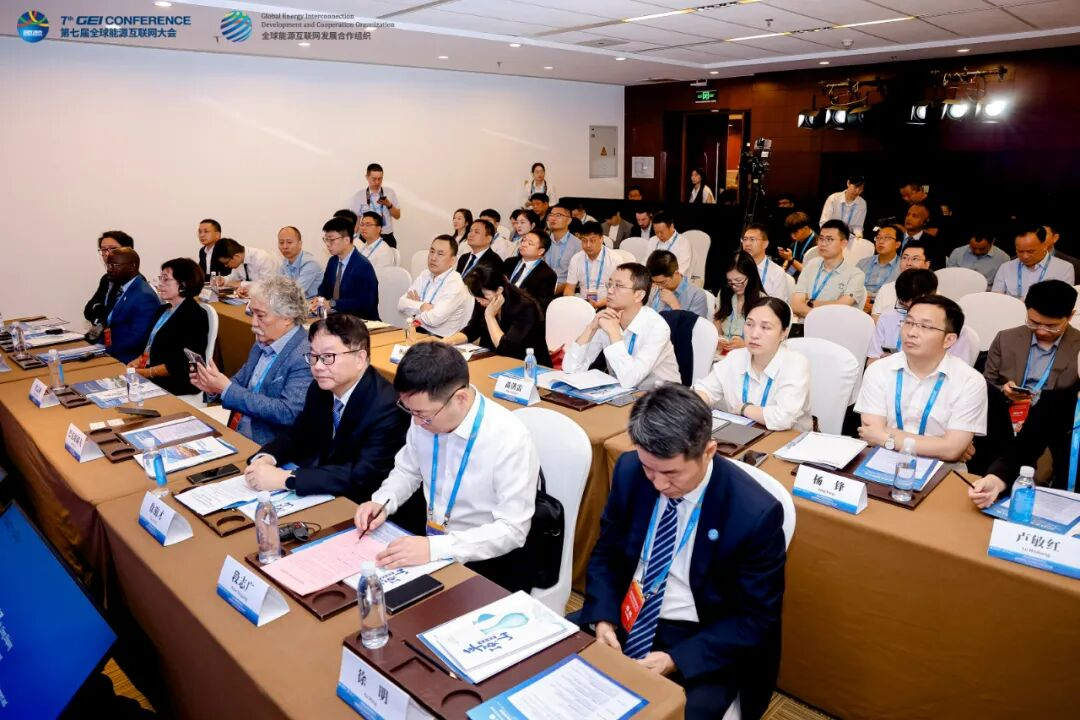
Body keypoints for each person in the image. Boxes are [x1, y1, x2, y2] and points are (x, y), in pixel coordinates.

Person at [580, 384, 786, 720]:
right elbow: (607, 553)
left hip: (701, 636)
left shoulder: (754, 513)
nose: (658, 484)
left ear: (708, 451)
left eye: (671, 473)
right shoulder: (631, 470)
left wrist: (675, 659)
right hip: (625, 611)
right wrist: (603, 618)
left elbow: (755, 619)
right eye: (650, 469)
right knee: (548, 668)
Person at [354, 342, 540, 592]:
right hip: (430, 544)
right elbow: (407, 471)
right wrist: (382, 502)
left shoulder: (509, 439)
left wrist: (435, 549)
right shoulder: (423, 418)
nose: (416, 422)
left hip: (486, 559)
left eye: (423, 414)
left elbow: (512, 530)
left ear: (460, 398)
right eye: (410, 411)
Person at [246, 315, 417, 520]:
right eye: (313, 356)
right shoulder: (322, 388)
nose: (317, 366)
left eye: (328, 357)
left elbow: (360, 477)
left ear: (360, 358)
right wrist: (267, 457)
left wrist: (286, 479)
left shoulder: (388, 406)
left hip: (367, 510)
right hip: (327, 494)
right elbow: (300, 433)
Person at [855, 295, 988, 463]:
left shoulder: (970, 381)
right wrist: (940, 444)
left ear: (949, 339)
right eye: (908, 322)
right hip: (881, 461)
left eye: (925, 326)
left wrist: (886, 438)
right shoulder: (878, 370)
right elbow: (871, 433)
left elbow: (952, 451)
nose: (911, 333)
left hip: (941, 469)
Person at [190, 277, 312, 445]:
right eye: (251, 314)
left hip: (270, 446)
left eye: (260, 315)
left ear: (287, 317)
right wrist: (213, 387)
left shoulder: (305, 355)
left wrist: (226, 389)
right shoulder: (262, 343)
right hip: (238, 432)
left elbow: (288, 413)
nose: (253, 323)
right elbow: (239, 383)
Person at [695, 298, 812, 431]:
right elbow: (706, 390)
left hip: (786, 438)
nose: (754, 334)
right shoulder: (735, 357)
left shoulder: (795, 363)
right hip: (740, 435)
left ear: (784, 332)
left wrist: (744, 409)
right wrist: (695, 400)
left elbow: (782, 418)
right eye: (749, 324)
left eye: (765, 327)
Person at [563, 263, 681, 389]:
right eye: (609, 284)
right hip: (621, 393)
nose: (609, 290)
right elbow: (571, 369)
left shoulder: (657, 327)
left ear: (638, 295)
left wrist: (614, 333)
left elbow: (630, 380)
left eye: (618, 286)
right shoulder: (607, 318)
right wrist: (591, 328)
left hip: (661, 396)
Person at [984, 279, 1080, 404]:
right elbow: (987, 383)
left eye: (1051, 326)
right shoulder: (1005, 339)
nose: (1042, 331)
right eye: (1034, 323)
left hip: (1058, 411)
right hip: (1006, 407)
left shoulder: (1077, 344)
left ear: (1070, 316)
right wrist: (1003, 390)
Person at [127, 258, 208, 396]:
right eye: (161, 278)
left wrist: (148, 373)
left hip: (177, 380)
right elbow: (150, 345)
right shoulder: (163, 310)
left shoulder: (195, 315)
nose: (160, 284)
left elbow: (184, 362)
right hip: (153, 373)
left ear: (183, 284)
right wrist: (139, 361)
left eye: (166, 279)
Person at [443, 264, 551, 365]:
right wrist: (448, 341)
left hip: (527, 366)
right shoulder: (483, 301)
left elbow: (505, 348)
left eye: (483, 296)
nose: (479, 301)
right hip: (494, 360)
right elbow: (471, 330)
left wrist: (490, 317)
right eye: (476, 296)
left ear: (499, 290)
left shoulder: (526, 307)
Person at [868, 269, 976, 363]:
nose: (910, 313)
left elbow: (957, 371)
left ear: (932, 295)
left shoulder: (952, 324)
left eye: (915, 306)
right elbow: (873, 359)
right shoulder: (888, 316)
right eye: (904, 306)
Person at [398, 235, 474, 337]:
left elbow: (434, 319)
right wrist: (422, 306)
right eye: (432, 251)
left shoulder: (454, 283)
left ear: (453, 260)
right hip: (416, 332)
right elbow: (401, 304)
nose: (433, 258)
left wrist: (414, 310)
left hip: (440, 340)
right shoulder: (425, 275)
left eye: (440, 254)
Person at [790, 220, 867, 320]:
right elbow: (795, 305)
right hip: (803, 325)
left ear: (843, 243)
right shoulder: (811, 264)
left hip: (834, 327)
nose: (823, 243)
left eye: (829, 239)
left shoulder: (856, 274)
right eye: (821, 238)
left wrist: (810, 302)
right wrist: (826, 308)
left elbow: (841, 307)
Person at [96, 248, 161, 364]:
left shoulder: (144, 295)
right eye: (108, 265)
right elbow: (109, 324)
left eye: (114, 265)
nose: (109, 269)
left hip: (127, 360)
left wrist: (104, 351)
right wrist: (97, 348)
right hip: (110, 352)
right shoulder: (119, 287)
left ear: (132, 266)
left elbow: (136, 338)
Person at [314, 216, 380, 320]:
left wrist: (332, 304)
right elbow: (324, 289)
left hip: (361, 322)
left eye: (331, 240)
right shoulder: (333, 261)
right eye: (325, 239)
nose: (327, 244)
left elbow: (365, 303)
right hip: (338, 319)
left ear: (346, 240)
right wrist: (319, 300)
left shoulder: (363, 266)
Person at [992, 223, 1075, 299]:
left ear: (1044, 246)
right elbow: (996, 299)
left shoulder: (1064, 269)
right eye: (1020, 251)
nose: (1025, 256)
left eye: (1030, 251)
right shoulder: (1006, 268)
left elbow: (1064, 302)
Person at [714, 251, 767, 353]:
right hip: (723, 354)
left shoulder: (762, 302)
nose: (734, 286)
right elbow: (717, 322)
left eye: (739, 281)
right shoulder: (724, 293)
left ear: (750, 276)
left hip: (749, 354)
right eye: (730, 281)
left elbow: (766, 342)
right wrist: (718, 340)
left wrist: (745, 345)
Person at [85, 230, 135, 327]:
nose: (107, 254)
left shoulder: (134, 282)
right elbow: (88, 310)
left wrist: (100, 310)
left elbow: (120, 318)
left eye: (113, 249)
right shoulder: (106, 279)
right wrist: (99, 311)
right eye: (104, 250)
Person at [870, 240, 933, 318]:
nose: (908, 263)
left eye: (915, 259)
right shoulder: (886, 289)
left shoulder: (932, 293)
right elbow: (875, 318)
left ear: (927, 265)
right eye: (905, 258)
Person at [564, 221, 616, 309]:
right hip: (581, 303)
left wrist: (599, 304)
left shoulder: (614, 259)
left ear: (601, 239)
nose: (588, 245)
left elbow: (618, 292)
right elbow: (569, 289)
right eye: (584, 241)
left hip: (607, 303)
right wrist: (574, 303)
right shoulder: (576, 259)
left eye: (592, 240)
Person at [503, 230, 558, 311]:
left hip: (522, 313)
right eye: (524, 240)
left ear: (540, 251)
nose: (523, 244)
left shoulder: (547, 275)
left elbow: (540, 305)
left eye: (530, 243)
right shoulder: (510, 262)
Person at [646, 250, 709, 319]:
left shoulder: (696, 296)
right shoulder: (654, 289)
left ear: (676, 273)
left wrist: (675, 306)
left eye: (662, 282)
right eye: (654, 282)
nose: (659, 287)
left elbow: (696, 325)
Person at [351, 163, 401, 248]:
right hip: (366, 238)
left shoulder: (390, 192)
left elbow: (397, 216)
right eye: (374, 179)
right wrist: (353, 239)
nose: (377, 182)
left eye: (380, 179)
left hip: (386, 237)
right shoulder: (359, 195)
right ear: (367, 177)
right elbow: (356, 221)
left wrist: (388, 204)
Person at [856, 224, 902, 310]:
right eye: (878, 237)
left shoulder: (902, 267)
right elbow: (852, 287)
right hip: (858, 304)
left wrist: (876, 307)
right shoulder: (863, 263)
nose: (881, 241)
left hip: (885, 309)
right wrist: (861, 302)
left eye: (887, 238)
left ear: (897, 244)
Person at [740, 223, 789, 302]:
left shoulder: (777, 273)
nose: (747, 244)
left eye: (752, 239)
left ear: (765, 244)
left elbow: (778, 305)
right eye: (745, 239)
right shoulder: (737, 267)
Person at [545, 203, 582, 295]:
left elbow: (579, 276)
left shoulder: (578, 245)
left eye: (558, 215)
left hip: (564, 291)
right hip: (542, 287)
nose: (553, 218)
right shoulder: (543, 241)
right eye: (551, 215)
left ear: (569, 220)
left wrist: (559, 289)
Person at [277, 225, 322, 299]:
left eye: (289, 242)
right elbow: (277, 288)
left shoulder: (310, 264)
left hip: (312, 304)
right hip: (293, 303)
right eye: (281, 242)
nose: (285, 246)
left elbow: (295, 293)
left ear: (300, 244)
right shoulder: (284, 262)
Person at [646, 212, 692, 276]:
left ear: (671, 227)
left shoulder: (683, 243)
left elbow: (681, 270)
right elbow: (646, 262)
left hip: (672, 278)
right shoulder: (652, 240)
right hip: (652, 277)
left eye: (662, 232)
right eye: (656, 232)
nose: (659, 235)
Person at [778, 211, 816, 277]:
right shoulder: (796, 241)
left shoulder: (817, 246)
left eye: (795, 232)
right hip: (792, 277)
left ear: (805, 228)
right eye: (791, 233)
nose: (793, 236)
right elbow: (791, 265)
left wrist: (791, 260)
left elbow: (809, 272)